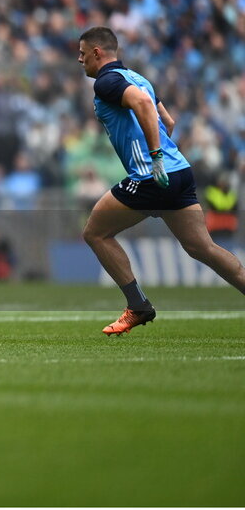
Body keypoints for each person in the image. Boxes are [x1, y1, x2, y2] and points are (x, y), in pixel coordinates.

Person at [77, 26, 245, 335]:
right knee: (202, 247)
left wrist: (154, 155)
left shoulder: (107, 81)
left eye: (83, 53)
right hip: (180, 170)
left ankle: (138, 306)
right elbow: (167, 120)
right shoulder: (138, 77)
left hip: (152, 175)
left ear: (97, 53)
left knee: (95, 233)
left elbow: (142, 106)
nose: (79, 59)